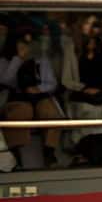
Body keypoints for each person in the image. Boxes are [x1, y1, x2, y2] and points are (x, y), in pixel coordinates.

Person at [60, 16, 102, 166]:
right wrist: (84, 88)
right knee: (86, 109)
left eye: (95, 24)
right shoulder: (72, 47)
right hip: (80, 92)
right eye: (88, 24)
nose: (92, 28)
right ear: (81, 26)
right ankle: (82, 152)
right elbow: (66, 80)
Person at [0, 29, 66, 168]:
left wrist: (38, 89)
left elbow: (51, 83)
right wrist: (18, 59)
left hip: (39, 96)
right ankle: (16, 154)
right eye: (22, 43)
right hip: (18, 96)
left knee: (50, 112)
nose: (25, 47)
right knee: (21, 113)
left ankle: (49, 151)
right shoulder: (5, 60)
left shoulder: (41, 60)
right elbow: (6, 80)